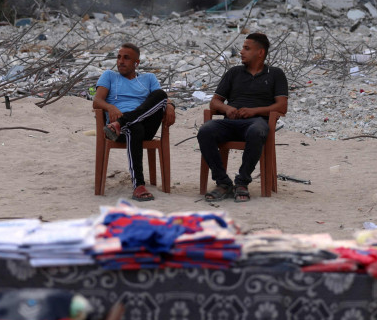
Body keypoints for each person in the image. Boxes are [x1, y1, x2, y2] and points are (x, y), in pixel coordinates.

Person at [198, 32, 288, 203]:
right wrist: (227, 108)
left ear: (260, 52)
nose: (241, 52)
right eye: (242, 48)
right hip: (231, 122)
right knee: (205, 131)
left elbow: (282, 106)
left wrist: (255, 111)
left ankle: (242, 182)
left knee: (257, 131)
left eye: (247, 48)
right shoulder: (234, 72)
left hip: (256, 122)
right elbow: (215, 102)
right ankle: (223, 183)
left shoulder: (275, 74)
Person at [93, 42, 176, 201]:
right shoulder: (109, 76)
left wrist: (170, 105)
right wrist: (110, 107)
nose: (120, 61)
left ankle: (123, 122)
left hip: (140, 125)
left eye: (126, 58)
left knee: (160, 94)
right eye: (118, 57)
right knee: (134, 127)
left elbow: (161, 99)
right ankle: (138, 185)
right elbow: (96, 101)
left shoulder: (149, 78)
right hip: (119, 130)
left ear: (136, 63)